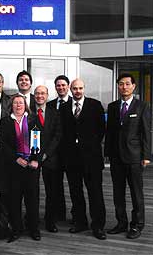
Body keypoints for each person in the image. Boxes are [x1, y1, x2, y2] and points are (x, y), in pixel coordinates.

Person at [105, 73, 151, 239]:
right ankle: (121, 222)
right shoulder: (112, 107)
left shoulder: (142, 106)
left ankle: (137, 225)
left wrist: (146, 156)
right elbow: (109, 132)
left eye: (127, 84)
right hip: (116, 158)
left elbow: (146, 132)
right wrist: (107, 154)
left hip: (134, 157)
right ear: (117, 86)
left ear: (133, 86)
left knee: (136, 193)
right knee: (118, 193)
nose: (123, 87)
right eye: (120, 84)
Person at [59, 79, 107, 240]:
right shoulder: (64, 107)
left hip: (91, 158)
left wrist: (88, 145)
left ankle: (98, 225)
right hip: (72, 159)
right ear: (70, 90)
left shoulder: (95, 105)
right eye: (75, 88)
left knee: (95, 192)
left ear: (84, 89)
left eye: (80, 88)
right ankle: (80, 222)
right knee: (76, 192)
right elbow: (63, 132)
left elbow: (101, 130)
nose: (77, 91)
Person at [0, 95, 41, 242]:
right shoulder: (5, 121)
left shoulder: (33, 119)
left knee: (32, 200)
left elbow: (38, 140)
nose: (18, 105)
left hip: (31, 167)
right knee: (14, 200)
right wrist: (16, 158)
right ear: (11, 105)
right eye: (15, 103)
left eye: (21, 102)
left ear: (25, 104)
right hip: (13, 167)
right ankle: (16, 229)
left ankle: (34, 229)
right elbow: (2, 144)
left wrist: (35, 160)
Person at [33, 86, 62, 232]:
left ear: (47, 95)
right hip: (34, 158)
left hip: (50, 157)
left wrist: (46, 153)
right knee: (33, 191)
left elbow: (57, 135)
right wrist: (37, 155)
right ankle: (33, 221)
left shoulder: (54, 112)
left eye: (42, 93)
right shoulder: (28, 112)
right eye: (37, 93)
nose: (40, 96)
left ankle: (50, 221)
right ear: (34, 96)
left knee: (52, 191)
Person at [47, 74, 72, 222]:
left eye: (63, 85)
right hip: (54, 153)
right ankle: (58, 213)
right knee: (55, 185)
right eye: (58, 85)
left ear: (68, 86)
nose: (61, 87)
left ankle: (76, 215)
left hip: (70, 152)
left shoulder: (74, 103)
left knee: (74, 185)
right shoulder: (50, 105)